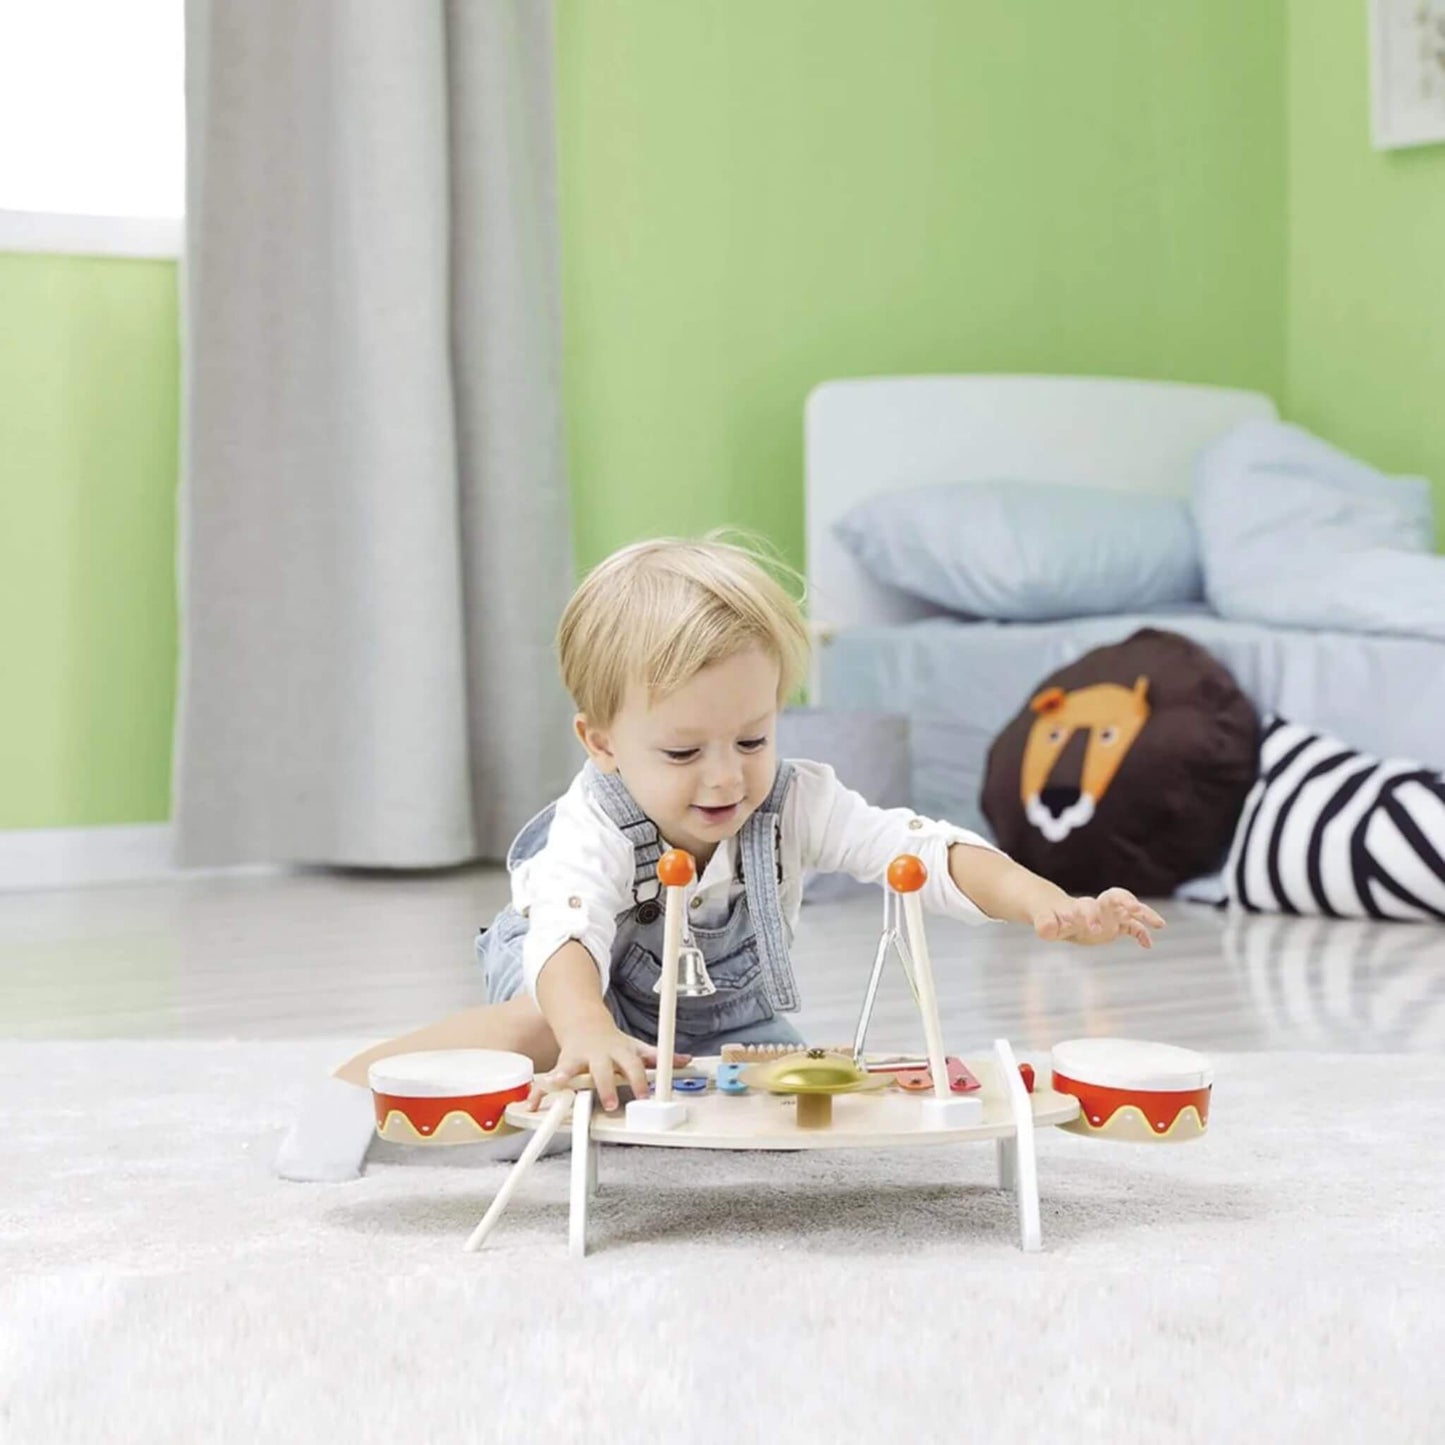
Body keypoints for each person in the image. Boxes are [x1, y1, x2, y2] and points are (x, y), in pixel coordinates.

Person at [331, 535, 1163, 1117]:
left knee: (796, 1097)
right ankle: (355, 1082)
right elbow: (567, 929)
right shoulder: (593, 825)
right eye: (685, 749)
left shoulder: (795, 800)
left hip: (718, 1025)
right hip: (583, 994)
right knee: (542, 1033)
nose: (727, 775)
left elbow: (920, 850)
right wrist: (588, 1031)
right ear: (603, 742)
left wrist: (1046, 899)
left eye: (753, 737)